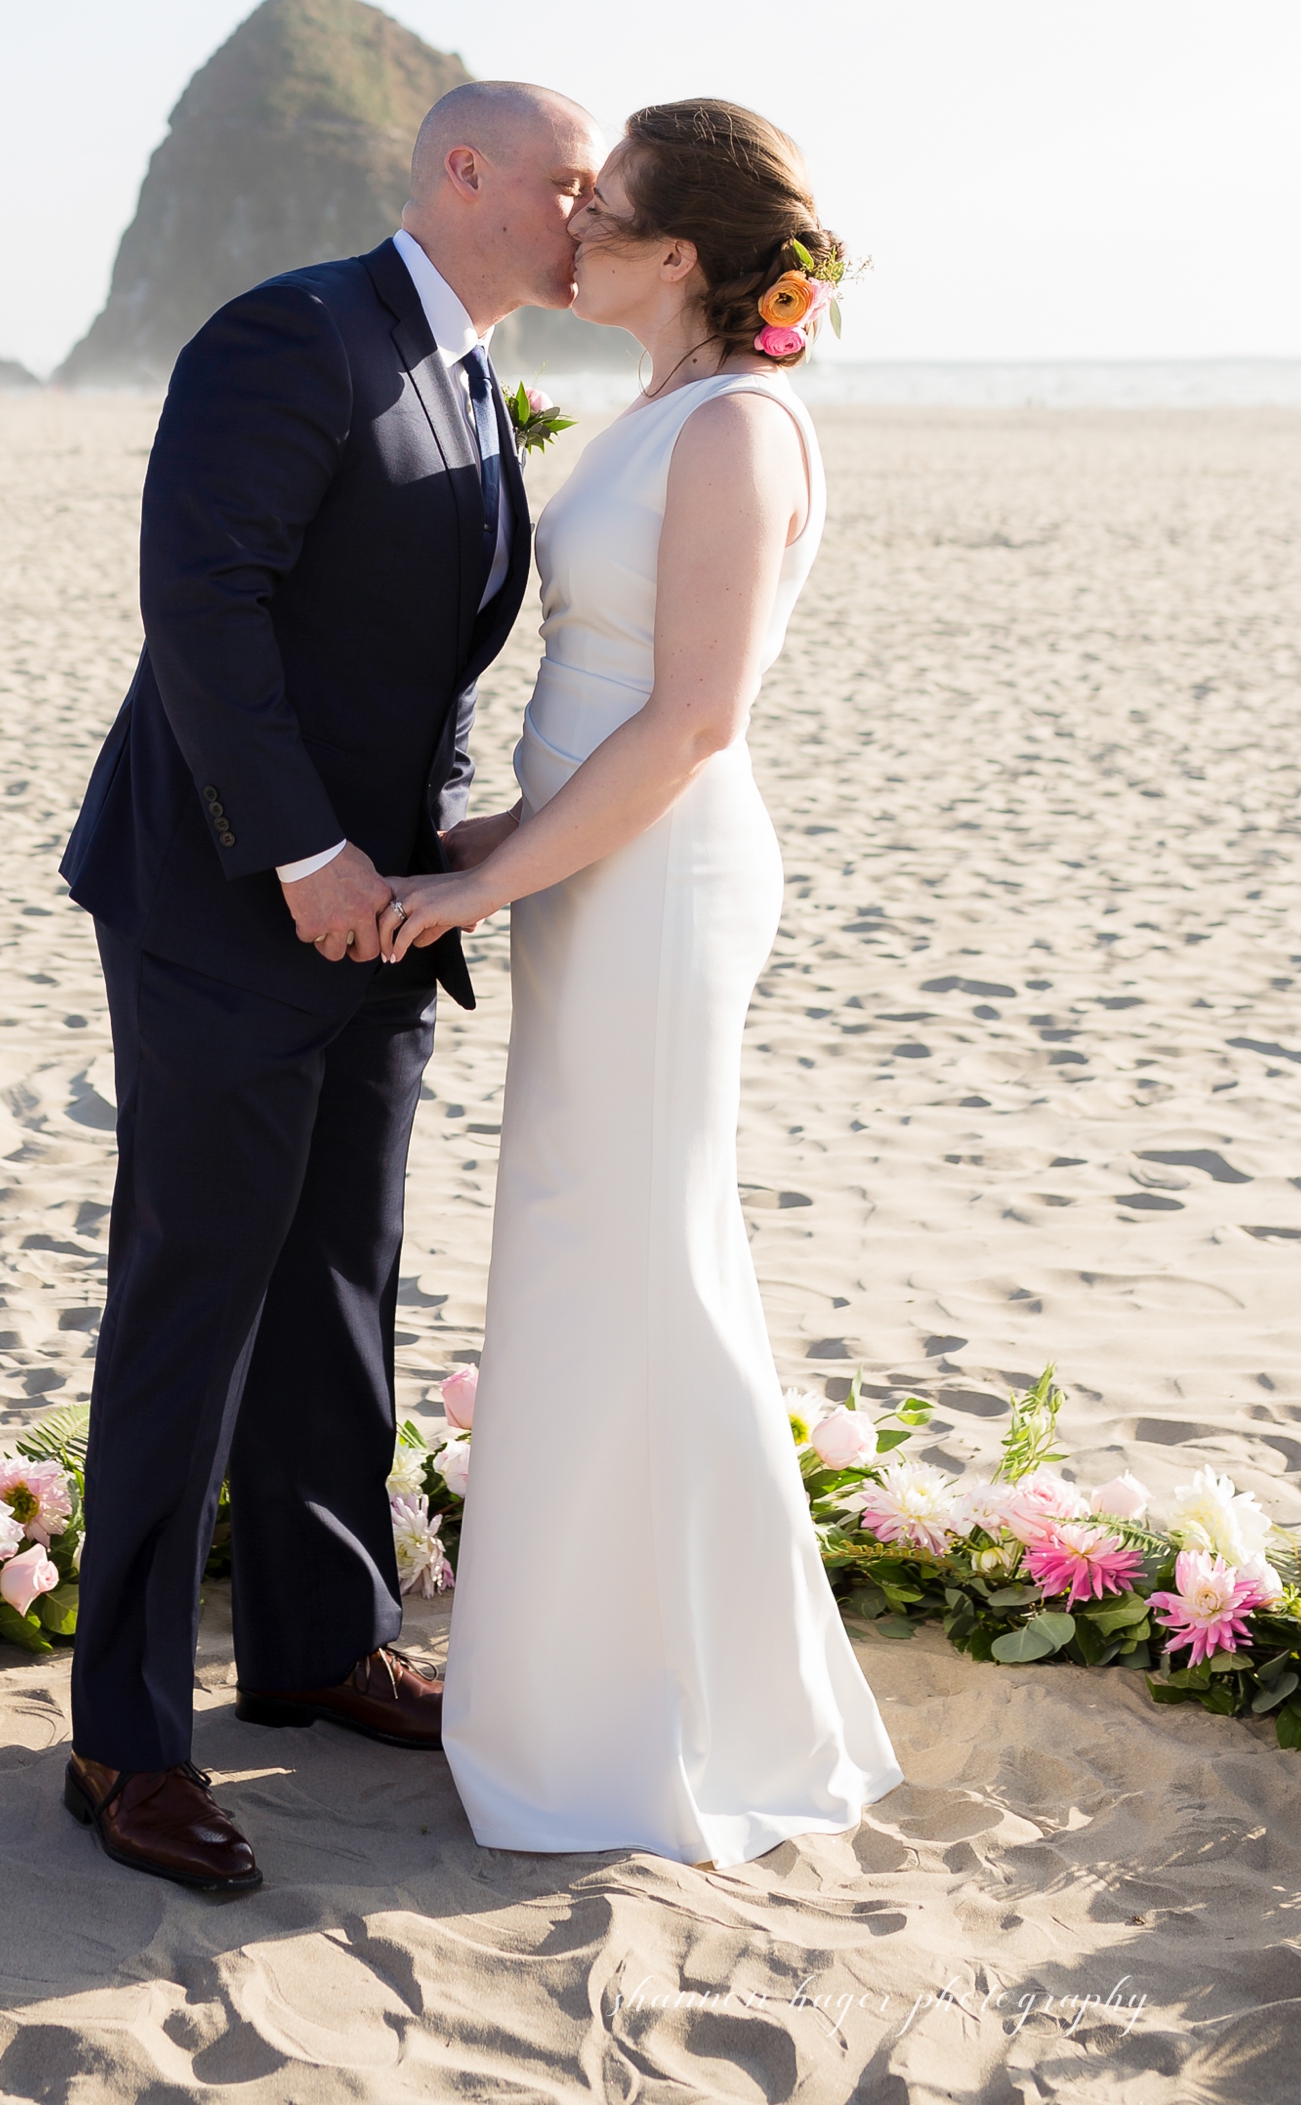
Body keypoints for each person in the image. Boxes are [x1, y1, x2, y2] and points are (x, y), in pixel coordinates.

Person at [57, 80, 602, 1894]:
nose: (591, 217)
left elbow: (416, 653)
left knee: (338, 1291)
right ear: (465, 171)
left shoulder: (469, 375)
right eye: (569, 185)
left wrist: (425, 859)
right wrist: (304, 855)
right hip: (227, 905)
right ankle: (123, 1744)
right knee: (191, 1303)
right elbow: (200, 601)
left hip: (388, 913)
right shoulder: (292, 332)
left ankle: (314, 1642)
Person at [381, 97, 902, 1863]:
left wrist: (493, 877)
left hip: (657, 885)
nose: (573, 229)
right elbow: (605, 692)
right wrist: (501, 835)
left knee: (646, 1259)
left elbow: (691, 720)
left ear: (678, 254)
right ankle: (571, 1687)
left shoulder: (743, 427)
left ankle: (684, 1718)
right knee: (585, 1246)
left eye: (603, 210)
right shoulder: (665, 408)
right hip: (586, 867)